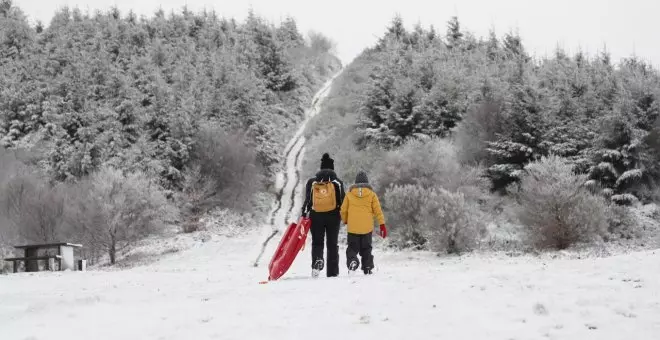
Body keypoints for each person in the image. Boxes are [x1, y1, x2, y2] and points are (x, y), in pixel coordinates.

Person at [301, 153, 345, 277]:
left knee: (317, 242)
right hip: (333, 216)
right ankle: (332, 272)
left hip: (316, 216)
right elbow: (343, 201)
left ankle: (317, 262)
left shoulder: (312, 182)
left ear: (321, 167)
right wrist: (344, 216)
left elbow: (308, 201)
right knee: (332, 244)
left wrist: (304, 215)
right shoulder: (337, 182)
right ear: (332, 168)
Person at [340, 170, 387, 275]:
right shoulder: (372, 195)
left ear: (355, 183)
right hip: (367, 228)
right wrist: (382, 225)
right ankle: (368, 267)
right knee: (366, 248)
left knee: (352, 248)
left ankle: (352, 261)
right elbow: (378, 211)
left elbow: (343, 210)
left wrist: (345, 220)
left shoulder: (349, 194)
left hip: (353, 228)